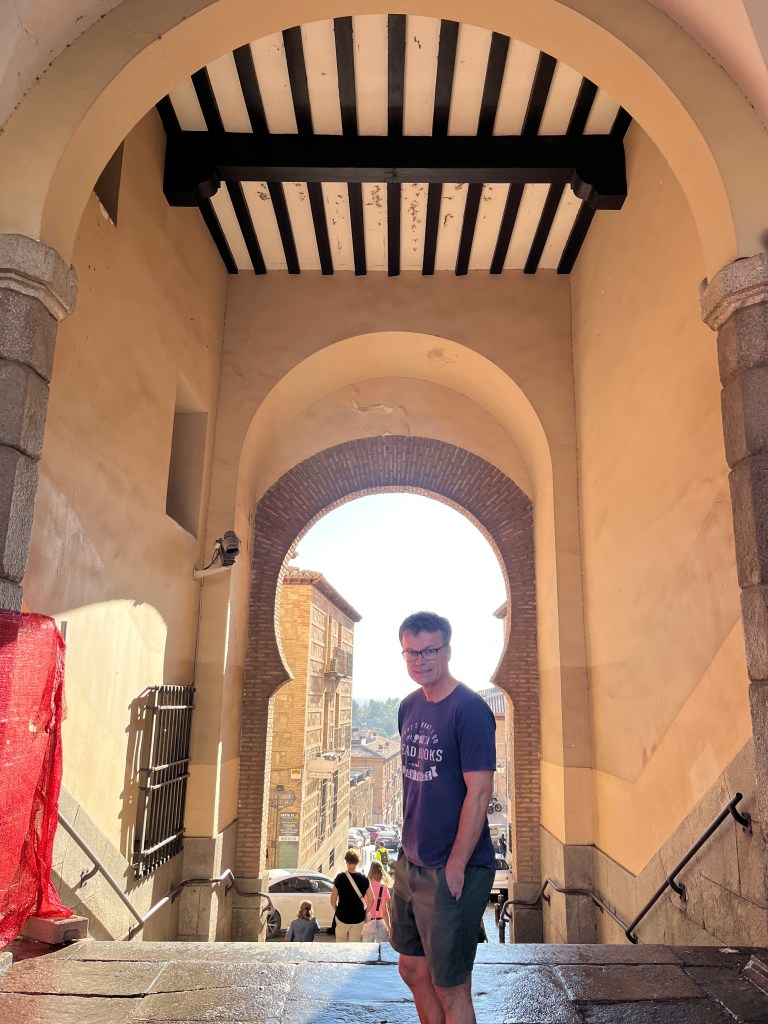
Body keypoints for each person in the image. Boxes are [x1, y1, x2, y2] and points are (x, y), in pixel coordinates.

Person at [390, 611, 496, 1024]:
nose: (420, 660)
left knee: (451, 987)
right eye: (411, 653)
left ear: (447, 651)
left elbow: (480, 792)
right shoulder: (409, 706)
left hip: (453, 867)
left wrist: (456, 863)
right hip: (411, 862)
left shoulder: (469, 710)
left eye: (430, 650)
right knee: (413, 969)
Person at [331, 848, 374, 941]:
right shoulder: (364, 878)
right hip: (358, 917)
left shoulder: (340, 877)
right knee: (354, 944)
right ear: (357, 862)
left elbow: (333, 899)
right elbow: (372, 898)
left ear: (346, 861)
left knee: (340, 941)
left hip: (342, 916)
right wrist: (365, 912)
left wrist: (337, 911)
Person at [363, 860, 392, 943]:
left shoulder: (365, 886)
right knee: (381, 947)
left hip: (368, 921)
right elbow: (384, 911)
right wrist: (389, 927)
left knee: (367, 947)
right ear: (381, 871)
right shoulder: (383, 888)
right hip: (380, 921)